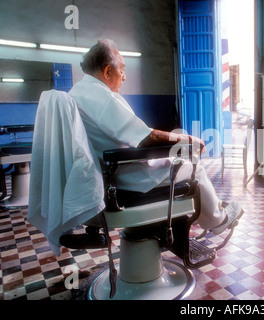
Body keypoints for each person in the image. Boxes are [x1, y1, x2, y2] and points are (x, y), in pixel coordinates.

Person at [69, 39, 243, 235]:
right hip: (128, 178)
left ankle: (207, 209)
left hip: (108, 175)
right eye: (122, 70)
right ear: (108, 71)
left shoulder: (78, 93)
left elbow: (133, 132)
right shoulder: (100, 96)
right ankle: (217, 220)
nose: (124, 77)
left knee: (174, 162)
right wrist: (188, 140)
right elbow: (146, 137)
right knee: (195, 169)